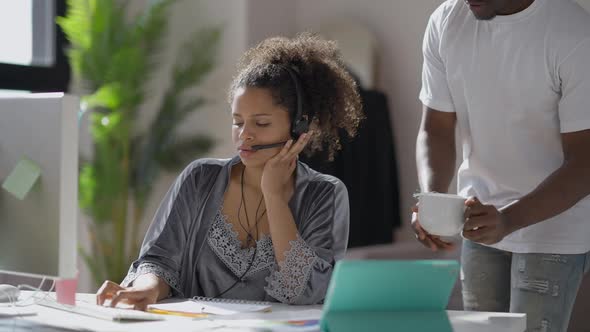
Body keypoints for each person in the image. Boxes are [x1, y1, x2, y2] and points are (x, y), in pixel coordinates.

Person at [96, 33, 363, 310]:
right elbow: (159, 261)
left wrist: (274, 197)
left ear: (298, 128)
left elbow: (308, 292)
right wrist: (147, 289)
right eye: (238, 123)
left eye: (261, 124)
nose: (244, 135)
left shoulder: (325, 194)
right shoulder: (200, 178)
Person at [412, 0, 590, 330]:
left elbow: (585, 162)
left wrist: (508, 220)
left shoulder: (574, 32)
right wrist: (432, 200)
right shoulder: (447, 20)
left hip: (553, 230)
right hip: (479, 223)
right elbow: (435, 128)